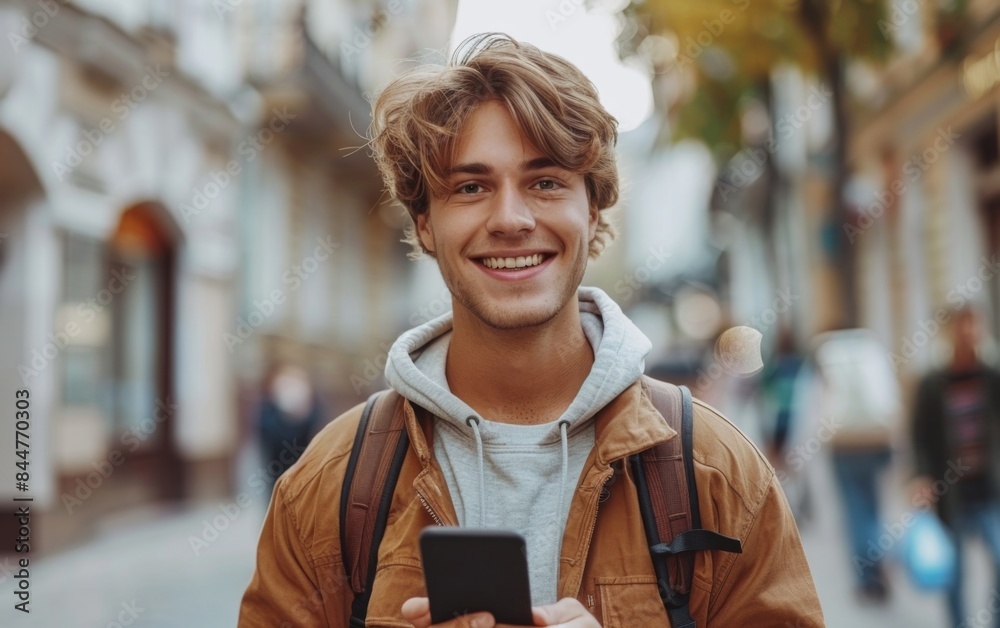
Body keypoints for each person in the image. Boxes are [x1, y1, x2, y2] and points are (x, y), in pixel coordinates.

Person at [238, 33, 823, 627]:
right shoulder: (328, 486)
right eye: (471, 187)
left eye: (545, 182)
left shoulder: (718, 474)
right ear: (426, 224)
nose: (511, 219)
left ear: (591, 210)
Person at [911, 306, 1000, 627]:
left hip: (990, 489)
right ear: (950, 333)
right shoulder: (933, 383)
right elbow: (919, 436)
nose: (969, 335)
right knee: (955, 571)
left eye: (974, 328)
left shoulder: (992, 377)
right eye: (962, 328)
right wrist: (919, 476)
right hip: (952, 492)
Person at [810, 327, 901, 603]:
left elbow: (814, 406)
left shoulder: (827, 354)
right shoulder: (872, 351)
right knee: (874, 509)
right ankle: (880, 563)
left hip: (845, 444)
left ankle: (866, 577)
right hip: (876, 439)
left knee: (854, 512)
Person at [255, 362, 322, 495]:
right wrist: (287, 418)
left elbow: (317, 434)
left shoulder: (314, 408)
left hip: (305, 474)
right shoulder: (268, 410)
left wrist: (304, 415)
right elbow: (270, 438)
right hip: (277, 476)